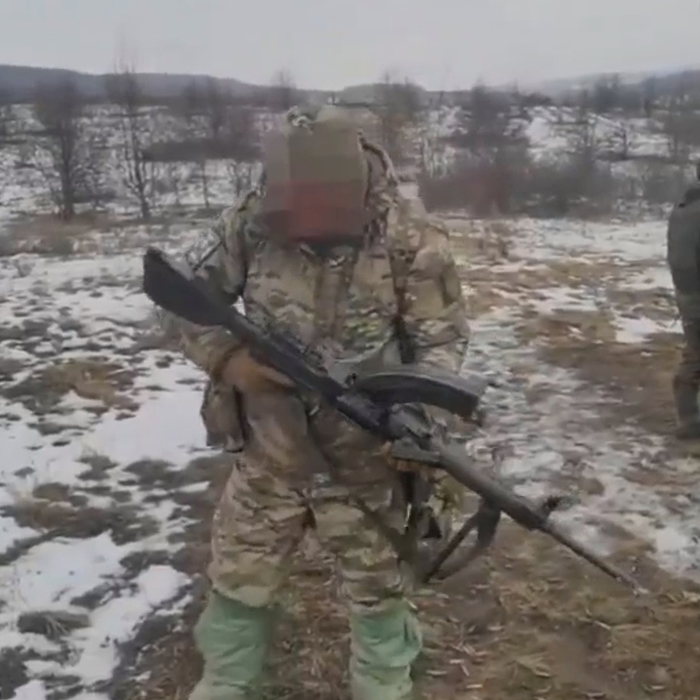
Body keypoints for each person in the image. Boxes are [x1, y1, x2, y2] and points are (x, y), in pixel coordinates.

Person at [162, 104, 471, 700]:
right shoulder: (250, 222)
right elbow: (182, 300)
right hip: (270, 450)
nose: (299, 229)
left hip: (368, 458)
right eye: (291, 214)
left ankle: (383, 685)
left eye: (316, 215)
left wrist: (416, 422)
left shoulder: (410, 236)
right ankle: (227, 681)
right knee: (238, 581)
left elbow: (441, 342)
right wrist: (229, 361)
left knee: (379, 592)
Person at [668, 162, 700, 440]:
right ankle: (689, 421)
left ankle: (688, 418)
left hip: (688, 296)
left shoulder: (683, 209)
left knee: (694, 354)